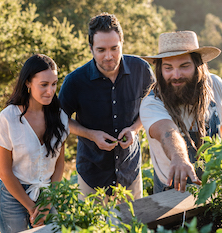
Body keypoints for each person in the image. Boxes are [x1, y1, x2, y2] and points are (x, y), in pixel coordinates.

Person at [58, 13, 154, 201]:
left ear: (122, 43)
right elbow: (59, 117)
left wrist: (135, 129)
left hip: (130, 171)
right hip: (92, 173)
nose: (109, 56)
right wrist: (91, 134)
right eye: (101, 50)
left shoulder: (141, 69)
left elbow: (152, 104)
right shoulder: (75, 81)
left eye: (114, 48)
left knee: (132, 228)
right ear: (91, 48)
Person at [139, 31, 222, 194]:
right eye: (168, 68)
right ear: (160, 70)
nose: (176, 76)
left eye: (184, 66)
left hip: (213, 186)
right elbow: (167, 132)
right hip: (171, 191)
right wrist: (179, 158)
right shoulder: (152, 102)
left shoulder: (215, 85)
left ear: (198, 65)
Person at [0, 54, 69, 233]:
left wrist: (48, 202)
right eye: (44, 85)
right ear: (28, 83)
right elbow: (4, 171)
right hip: (12, 197)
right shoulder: (9, 117)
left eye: (54, 84)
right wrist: (31, 207)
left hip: (47, 194)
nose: (50, 91)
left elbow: (59, 164)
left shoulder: (60, 117)